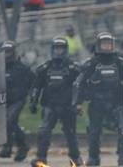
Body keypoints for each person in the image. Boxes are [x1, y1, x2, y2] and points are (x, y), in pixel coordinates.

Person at [73, 32, 123, 166]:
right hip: (97, 103)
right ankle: (93, 158)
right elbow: (79, 83)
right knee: (94, 131)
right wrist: (78, 103)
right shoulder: (92, 63)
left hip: (116, 103)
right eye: (104, 44)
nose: (107, 47)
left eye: (109, 44)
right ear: (98, 45)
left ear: (113, 45)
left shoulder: (120, 63)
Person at [29, 37, 83, 166]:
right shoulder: (45, 68)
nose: (59, 51)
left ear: (66, 50)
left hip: (68, 106)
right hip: (49, 105)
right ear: (52, 49)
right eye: (56, 48)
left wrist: (79, 103)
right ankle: (41, 158)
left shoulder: (73, 68)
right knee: (44, 131)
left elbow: (80, 86)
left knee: (70, 134)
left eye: (61, 48)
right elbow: (36, 86)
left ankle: (75, 159)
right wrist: (33, 101)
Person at [0, 41, 35, 162]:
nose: (6, 55)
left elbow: (33, 81)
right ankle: (21, 146)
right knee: (7, 122)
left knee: (10, 119)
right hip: (2, 99)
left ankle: (9, 146)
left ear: (13, 52)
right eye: (4, 52)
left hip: (17, 100)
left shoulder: (21, 67)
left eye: (8, 52)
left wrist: (29, 96)